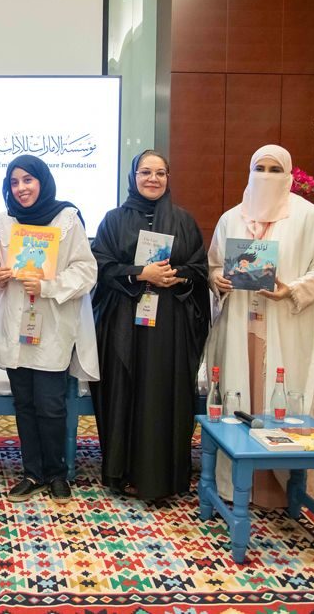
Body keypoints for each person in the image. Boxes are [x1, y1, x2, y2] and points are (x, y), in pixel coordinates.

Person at [206, 144, 314, 507]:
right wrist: (220, 280)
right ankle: (237, 486)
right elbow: (214, 264)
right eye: (258, 168)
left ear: (289, 174)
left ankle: (284, 486)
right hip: (240, 328)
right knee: (239, 397)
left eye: (274, 169)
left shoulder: (310, 218)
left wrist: (290, 289)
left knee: (281, 399)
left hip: (284, 326)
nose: (265, 175)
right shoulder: (231, 218)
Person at [90, 150, 210, 500]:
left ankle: (165, 476)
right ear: (134, 176)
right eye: (146, 172)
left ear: (168, 178)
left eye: (160, 173)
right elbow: (103, 266)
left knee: (165, 392)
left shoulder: (184, 221)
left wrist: (177, 277)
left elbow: (199, 269)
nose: (153, 179)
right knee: (124, 391)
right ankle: (122, 470)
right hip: (124, 324)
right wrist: (141, 273)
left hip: (170, 327)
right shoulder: (113, 220)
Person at [0, 155, 98, 503]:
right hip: (14, 324)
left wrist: (48, 286)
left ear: (42, 181)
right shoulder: (3, 222)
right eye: (14, 182)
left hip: (52, 324)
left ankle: (57, 473)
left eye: (28, 180)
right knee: (25, 404)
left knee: (51, 404)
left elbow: (86, 270)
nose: (21, 188)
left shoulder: (67, 218)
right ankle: (32, 472)